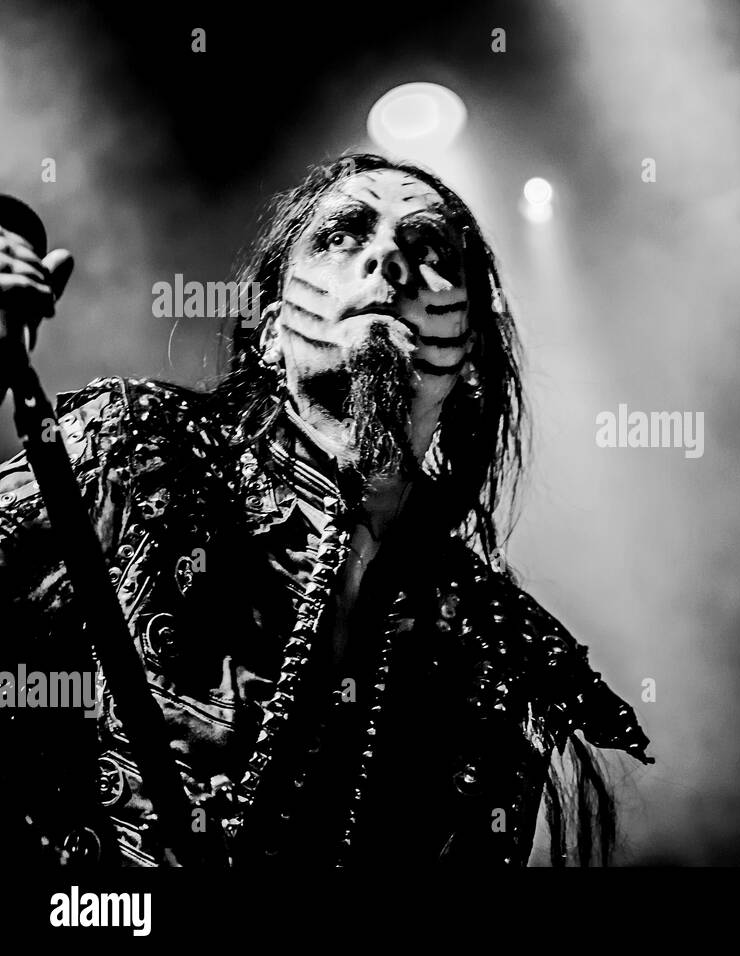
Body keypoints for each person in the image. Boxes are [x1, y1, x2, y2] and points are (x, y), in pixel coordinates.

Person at [0, 153, 652, 867]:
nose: (388, 260)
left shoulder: (489, 642)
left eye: (430, 248)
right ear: (272, 332)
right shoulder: (138, 452)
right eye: (343, 234)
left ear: (469, 358)